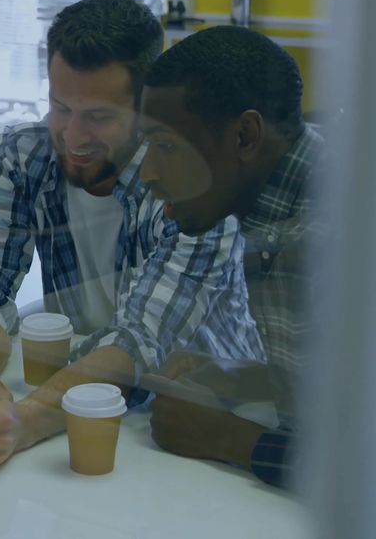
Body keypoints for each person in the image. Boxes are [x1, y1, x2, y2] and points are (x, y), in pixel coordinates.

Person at [0, 0, 262, 471]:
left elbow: (139, 341)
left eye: (99, 116)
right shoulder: (23, 157)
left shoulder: (198, 186)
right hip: (81, 401)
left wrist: (27, 420)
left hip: (207, 424)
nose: (73, 136)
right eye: (60, 107)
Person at [138, 25, 322, 488]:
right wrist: (237, 377)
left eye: (167, 146)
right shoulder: (271, 203)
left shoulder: (342, 236)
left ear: (244, 136)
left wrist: (228, 438)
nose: (147, 173)